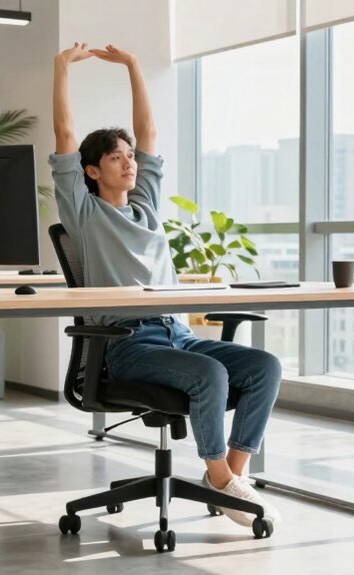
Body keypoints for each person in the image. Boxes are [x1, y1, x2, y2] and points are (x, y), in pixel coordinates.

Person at [50, 42, 283, 529]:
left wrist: (136, 63)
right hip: (129, 343)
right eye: (115, 158)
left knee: (265, 365)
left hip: (175, 331)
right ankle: (221, 481)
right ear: (92, 171)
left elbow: (149, 132)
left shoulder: (147, 205)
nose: (129, 163)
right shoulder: (85, 213)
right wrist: (62, 68)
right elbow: (65, 134)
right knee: (211, 377)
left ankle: (227, 479)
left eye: (130, 156)